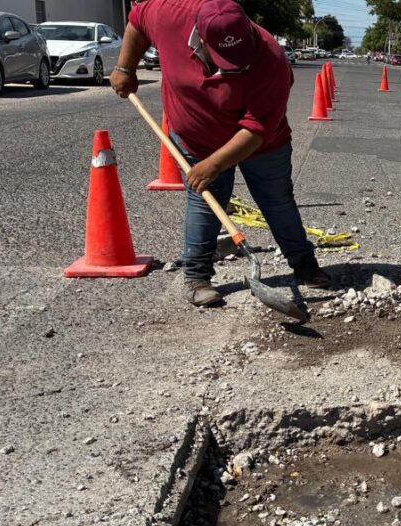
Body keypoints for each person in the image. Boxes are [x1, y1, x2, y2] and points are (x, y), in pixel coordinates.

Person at [110, 0, 332, 307]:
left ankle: (304, 264)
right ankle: (197, 277)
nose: (236, 68)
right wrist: (125, 67)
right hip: (197, 139)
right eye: (227, 61)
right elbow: (137, 19)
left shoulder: (271, 58)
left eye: (240, 60)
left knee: (277, 200)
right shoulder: (168, 14)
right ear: (200, 40)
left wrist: (214, 164)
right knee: (204, 201)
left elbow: (256, 129)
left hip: (262, 144)